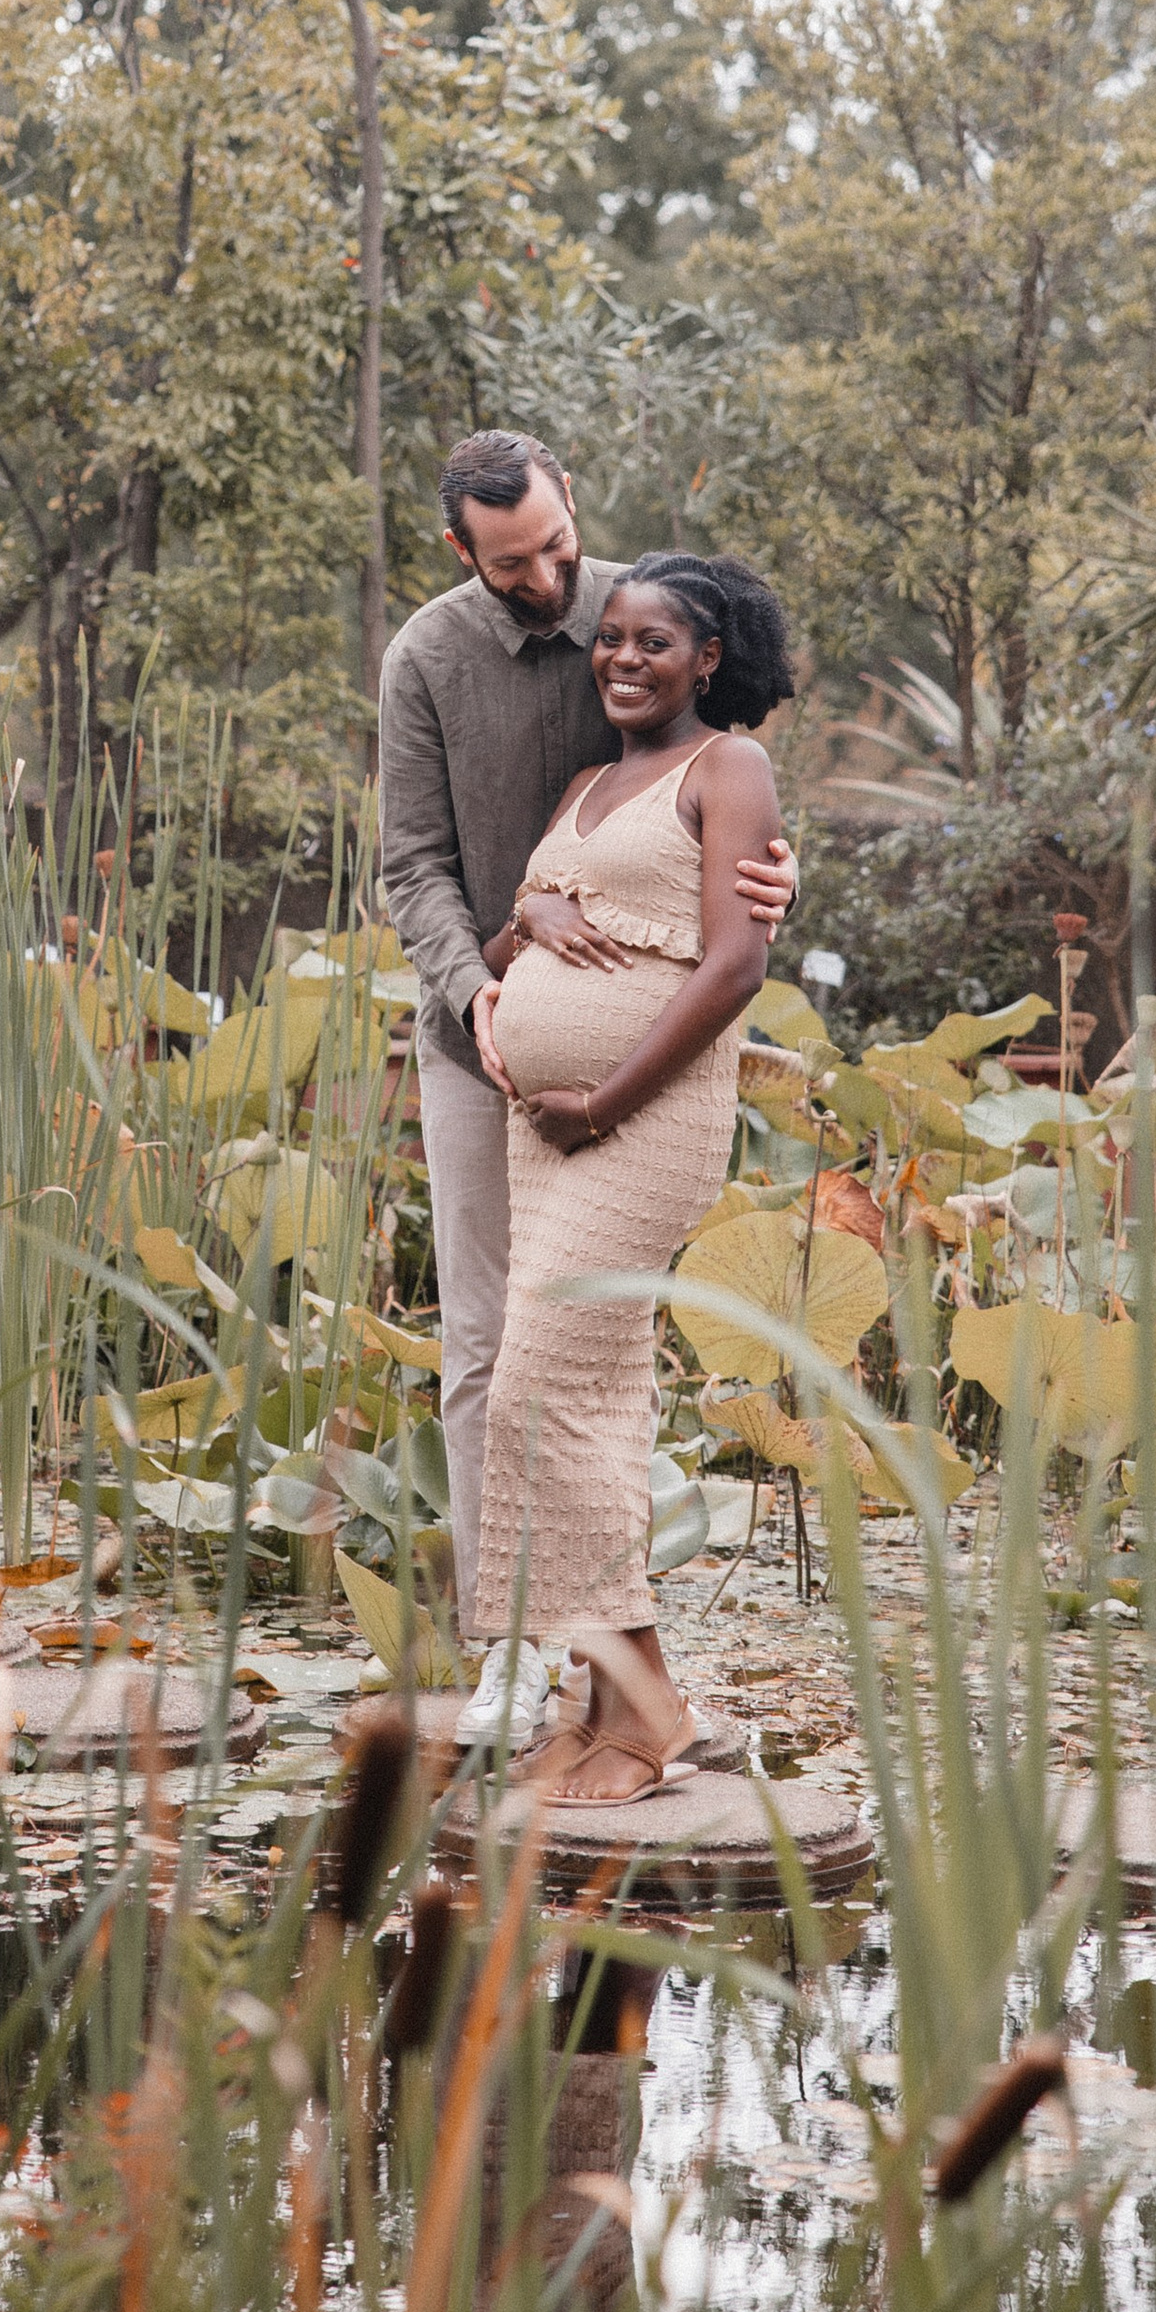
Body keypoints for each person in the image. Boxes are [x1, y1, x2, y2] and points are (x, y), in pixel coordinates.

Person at [377, 433, 795, 1747]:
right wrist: (484, 981)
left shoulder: (641, 609)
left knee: (576, 1365)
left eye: (561, 544)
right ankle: (505, 1651)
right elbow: (412, 864)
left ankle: (616, 1678)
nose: (553, 580)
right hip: (477, 1050)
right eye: (517, 564)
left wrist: (783, 883)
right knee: (486, 1350)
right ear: (463, 555)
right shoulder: (425, 661)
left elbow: (730, 787)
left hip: (632, 1087)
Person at [470, 551, 794, 1799]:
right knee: (584, 1403)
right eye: (610, 639)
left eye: (653, 642)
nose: (620, 658)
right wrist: (525, 922)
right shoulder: (589, 780)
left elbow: (734, 967)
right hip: (540, 1131)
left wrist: (599, 1100)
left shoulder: (731, 768)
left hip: (635, 1125)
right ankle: (604, 1713)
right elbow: (519, 937)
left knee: (536, 1388)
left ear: (706, 660)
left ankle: (644, 1704)